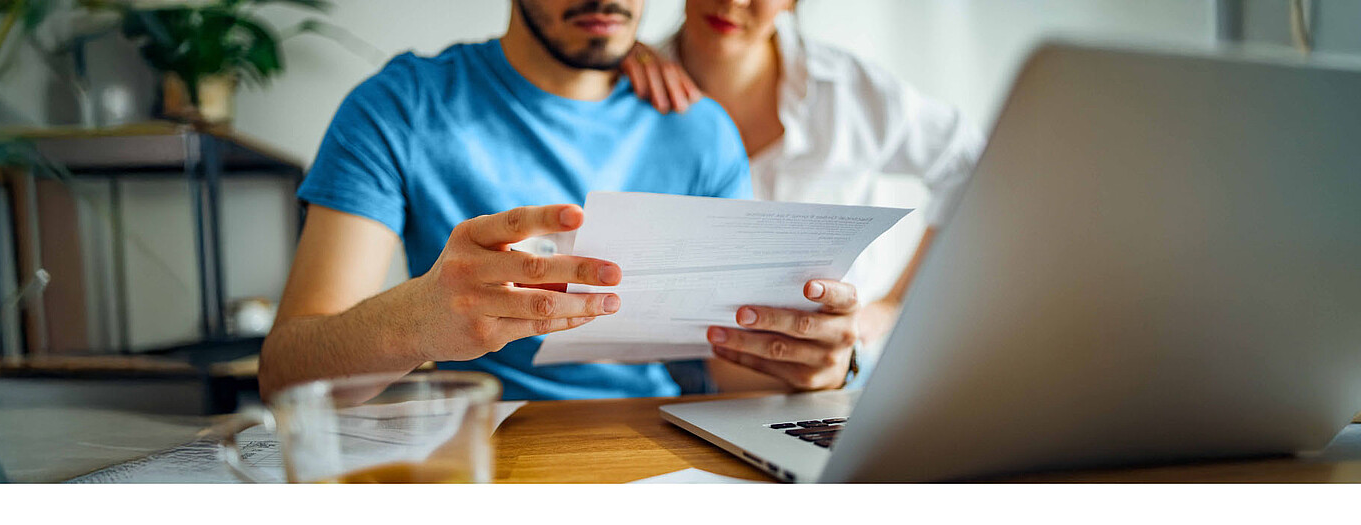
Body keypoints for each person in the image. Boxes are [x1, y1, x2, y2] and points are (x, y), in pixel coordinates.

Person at [260, 0, 864, 399]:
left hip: (661, 449)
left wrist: (810, 364)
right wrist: (420, 319)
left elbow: (733, 367)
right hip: (489, 444)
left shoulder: (698, 129)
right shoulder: (401, 106)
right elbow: (286, 375)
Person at [621, 0, 985, 389]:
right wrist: (618, 49)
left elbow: (970, 165)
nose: (732, 2)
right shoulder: (620, 82)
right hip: (668, 380)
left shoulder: (850, 93)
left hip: (831, 375)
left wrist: (894, 306)